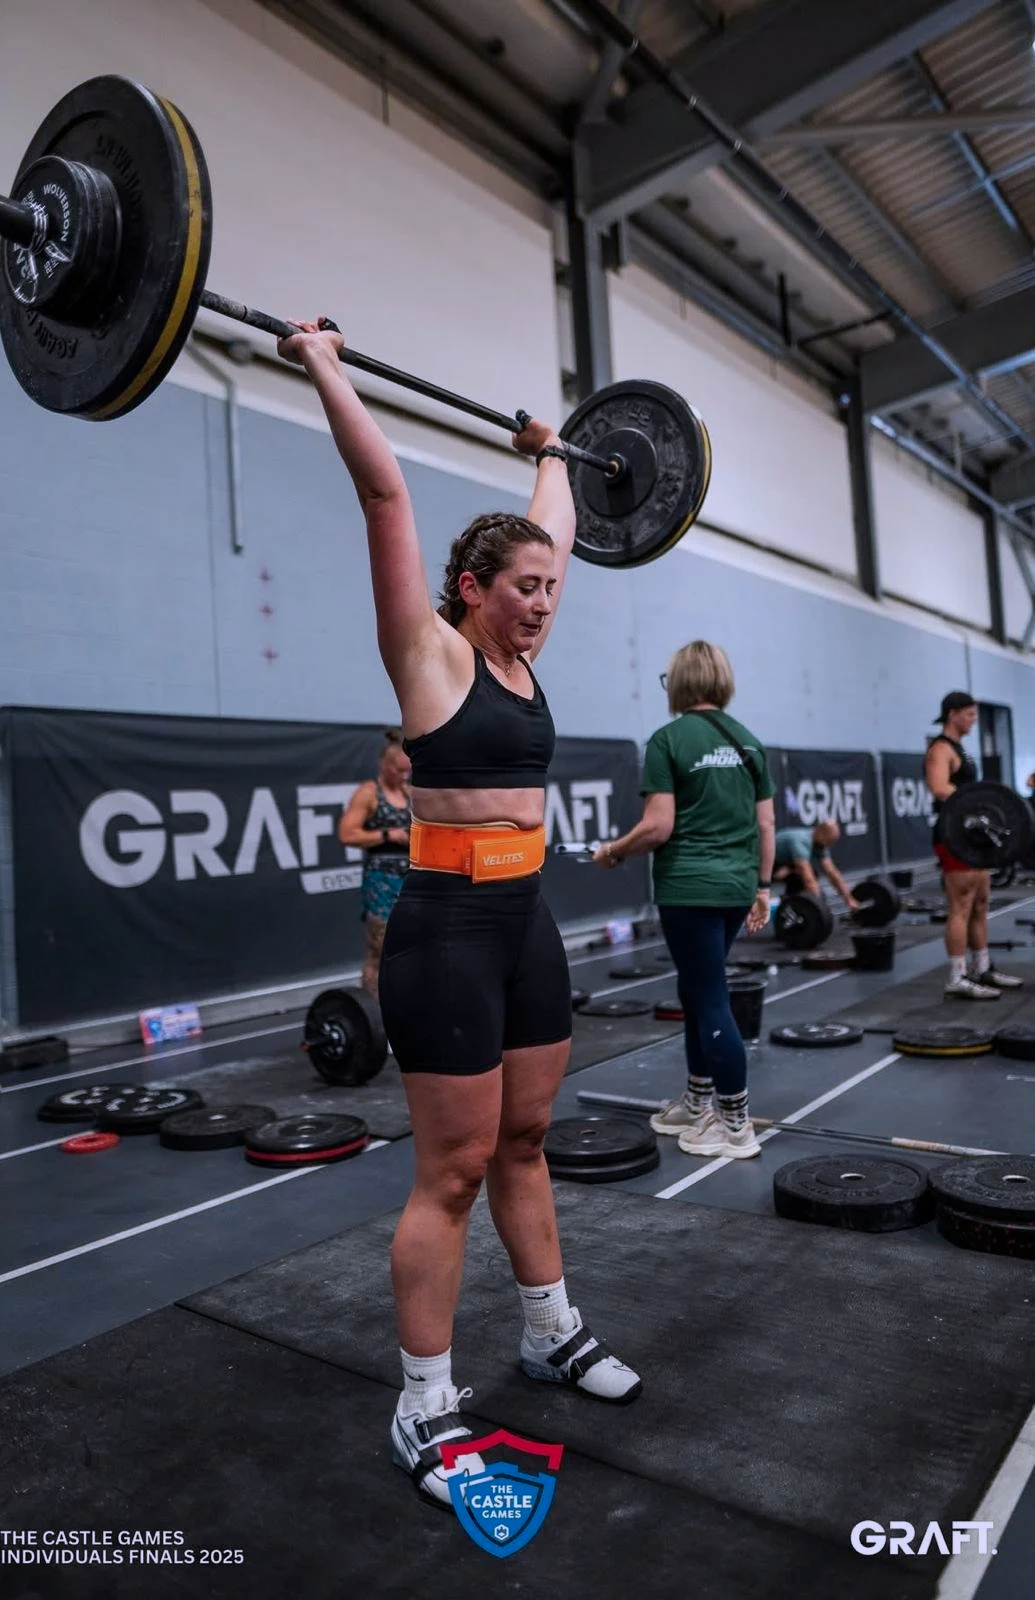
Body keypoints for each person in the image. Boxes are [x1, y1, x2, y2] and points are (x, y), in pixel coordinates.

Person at [278, 316, 640, 1513]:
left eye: (549, 589)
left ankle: (548, 1330)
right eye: (520, 589)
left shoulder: (531, 630)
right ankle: (422, 1403)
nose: (541, 604)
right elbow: (384, 495)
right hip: (439, 930)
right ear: (471, 589)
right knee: (454, 1167)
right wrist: (325, 365)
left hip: (526, 925)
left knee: (527, 1143)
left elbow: (563, 519)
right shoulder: (429, 656)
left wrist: (552, 449)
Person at [593, 641, 775, 1160]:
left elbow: (658, 826)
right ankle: (698, 1102)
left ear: (679, 682)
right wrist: (763, 887)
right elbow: (766, 824)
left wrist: (614, 852)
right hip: (737, 887)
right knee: (697, 989)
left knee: (709, 994)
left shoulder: (668, 739)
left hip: (689, 888)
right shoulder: (750, 743)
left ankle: (735, 1123)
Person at [925, 690, 1022, 1000]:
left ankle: (982, 968)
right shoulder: (940, 749)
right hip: (953, 836)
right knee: (961, 905)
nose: (973, 720)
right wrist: (975, 804)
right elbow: (939, 787)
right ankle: (957, 976)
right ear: (953, 714)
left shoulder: (961, 749)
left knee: (981, 903)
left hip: (972, 838)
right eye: (969, 714)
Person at [338, 729, 411, 999]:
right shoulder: (369, 793)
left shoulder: (409, 793)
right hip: (381, 883)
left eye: (407, 771)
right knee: (380, 950)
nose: (403, 777)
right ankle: (373, 1016)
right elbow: (347, 834)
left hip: (411, 882)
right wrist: (386, 835)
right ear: (384, 764)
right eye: (398, 770)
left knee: (411, 947)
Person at [772, 820, 861, 912]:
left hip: (783, 863)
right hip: (765, 863)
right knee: (805, 876)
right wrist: (819, 906)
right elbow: (807, 878)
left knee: (808, 875)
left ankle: (791, 907)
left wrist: (849, 899)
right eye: (830, 841)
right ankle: (788, 908)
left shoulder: (820, 843)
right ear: (821, 833)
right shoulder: (802, 841)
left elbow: (832, 873)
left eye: (832, 842)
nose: (830, 845)